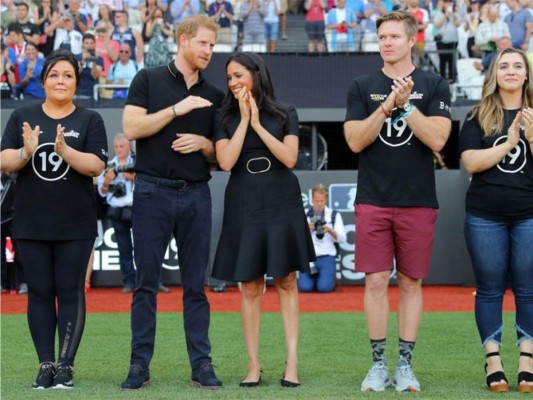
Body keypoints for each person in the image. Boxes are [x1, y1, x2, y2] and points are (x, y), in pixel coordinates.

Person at [344, 10, 451, 392]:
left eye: (393, 36)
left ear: (412, 40)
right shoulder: (362, 85)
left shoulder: (434, 83)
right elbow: (355, 140)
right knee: (374, 281)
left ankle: (404, 364)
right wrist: (388, 104)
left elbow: (438, 139)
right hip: (373, 197)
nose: (386, 43)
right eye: (382, 37)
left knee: (410, 281)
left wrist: (407, 106)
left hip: (418, 199)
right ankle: (378, 365)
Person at [119, 15, 224, 391]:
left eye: (213, 46)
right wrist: (176, 110)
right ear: (183, 40)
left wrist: (204, 145)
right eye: (203, 44)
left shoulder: (216, 94)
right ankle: (138, 366)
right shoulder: (148, 78)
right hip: (151, 190)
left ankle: (202, 365)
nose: (209, 52)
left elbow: (222, 155)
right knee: (146, 284)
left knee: (196, 285)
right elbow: (131, 128)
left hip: (196, 192)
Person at [0, 49, 108, 389]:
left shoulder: (89, 120)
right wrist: (26, 152)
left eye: (68, 75)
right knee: (40, 293)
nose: (61, 81)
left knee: (70, 290)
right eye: (54, 75)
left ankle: (66, 366)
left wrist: (66, 152)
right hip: (31, 221)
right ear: (43, 80)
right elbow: (5, 160)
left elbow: (96, 166)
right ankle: (45, 364)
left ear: (76, 82)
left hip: (75, 224)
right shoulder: (22, 116)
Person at [211, 52, 315, 388]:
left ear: (257, 74)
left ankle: (292, 362)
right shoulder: (224, 116)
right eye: (229, 77)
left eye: (238, 75)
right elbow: (225, 162)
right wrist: (243, 121)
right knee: (251, 285)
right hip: (244, 198)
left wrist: (257, 123)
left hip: (281, 195)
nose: (233, 82)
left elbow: (289, 157)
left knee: (286, 280)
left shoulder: (285, 112)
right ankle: (253, 366)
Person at [459, 47, 533, 394]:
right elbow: (471, 162)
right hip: (485, 215)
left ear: (527, 73)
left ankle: (527, 361)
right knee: (489, 290)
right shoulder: (477, 115)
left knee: (528, 290)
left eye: (518, 65)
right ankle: (493, 360)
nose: (511, 71)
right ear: (494, 74)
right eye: (504, 66)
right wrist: (510, 144)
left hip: (529, 214)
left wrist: (530, 138)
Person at [97, 134, 137, 293]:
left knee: (146, 248)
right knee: (124, 248)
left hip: (137, 208)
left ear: (129, 147)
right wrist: (107, 181)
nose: (119, 149)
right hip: (118, 210)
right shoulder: (109, 165)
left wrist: (132, 177)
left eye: (122, 146)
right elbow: (102, 192)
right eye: (116, 147)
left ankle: (151, 281)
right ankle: (129, 282)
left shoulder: (137, 163)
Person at [298, 183, 346, 293]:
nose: (319, 204)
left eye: (322, 201)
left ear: (326, 200)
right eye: (316, 201)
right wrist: (306, 228)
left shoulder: (334, 215)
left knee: (324, 288)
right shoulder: (304, 214)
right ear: (312, 199)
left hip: (327, 257)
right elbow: (295, 239)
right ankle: (317, 279)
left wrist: (330, 230)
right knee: (304, 288)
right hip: (308, 258)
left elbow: (343, 239)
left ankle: (329, 279)